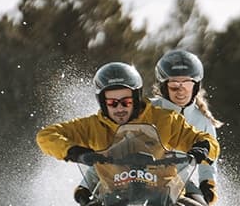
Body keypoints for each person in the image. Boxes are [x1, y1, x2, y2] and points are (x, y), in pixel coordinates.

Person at [37, 61, 220, 180]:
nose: (119, 108)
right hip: (109, 198)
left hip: (166, 195)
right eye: (112, 103)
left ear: (137, 98)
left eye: (126, 102)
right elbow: (46, 136)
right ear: (102, 102)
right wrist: (75, 152)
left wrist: (201, 148)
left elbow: (208, 141)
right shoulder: (92, 126)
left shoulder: (166, 119)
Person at [151, 49, 223, 206]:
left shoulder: (202, 121)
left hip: (182, 184)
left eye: (186, 84)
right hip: (140, 179)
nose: (180, 90)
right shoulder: (147, 110)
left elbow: (210, 159)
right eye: (174, 85)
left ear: (196, 86)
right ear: (164, 87)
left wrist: (207, 183)